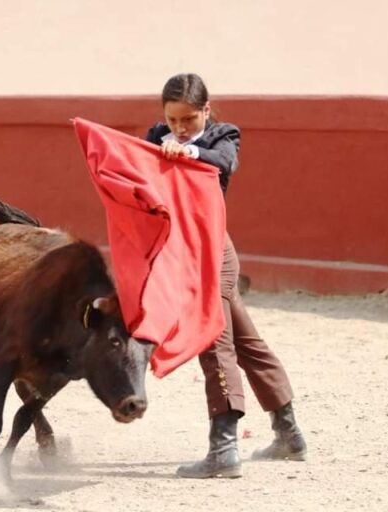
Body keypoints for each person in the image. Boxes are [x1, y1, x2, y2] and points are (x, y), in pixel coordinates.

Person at [145, 73, 307, 479]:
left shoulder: (222, 136)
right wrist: (161, 149)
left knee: (213, 340)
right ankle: (289, 435)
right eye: (173, 120)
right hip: (184, 252)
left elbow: (225, 162)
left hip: (215, 251)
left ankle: (224, 448)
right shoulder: (158, 134)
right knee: (247, 342)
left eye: (189, 120)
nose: (180, 128)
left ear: (207, 110)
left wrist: (188, 153)